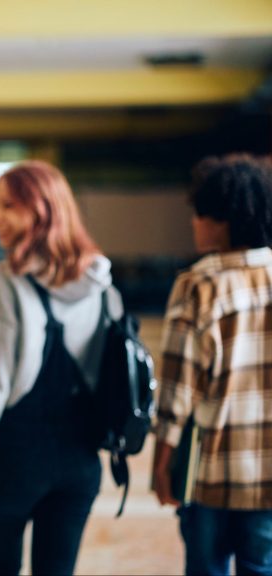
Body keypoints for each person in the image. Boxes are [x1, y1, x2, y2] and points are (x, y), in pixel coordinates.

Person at [0, 160, 123, 575]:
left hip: (14, 461)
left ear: (41, 210)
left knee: (1, 568)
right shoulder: (102, 284)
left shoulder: (5, 283)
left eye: (8, 206)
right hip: (81, 462)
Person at [152, 153, 272, 576]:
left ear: (222, 218)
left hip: (210, 474)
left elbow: (176, 389)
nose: (194, 223)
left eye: (199, 213)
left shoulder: (199, 284)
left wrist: (162, 462)